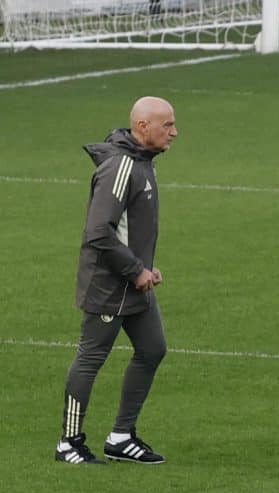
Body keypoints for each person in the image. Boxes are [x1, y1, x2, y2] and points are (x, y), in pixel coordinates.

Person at [55, 96, 177, 465]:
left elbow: (130, 230)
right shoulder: (121, 167)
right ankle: (69, 443)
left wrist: (146, 268)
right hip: (110, 286)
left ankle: (121, 436)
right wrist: (135, 269)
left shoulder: (144, 163)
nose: (175, 132)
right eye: (167, 125)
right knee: (91, 358)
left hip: (135, 283)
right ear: (143, 127)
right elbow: (99, 232)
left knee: (153, 349)